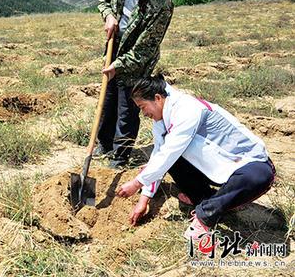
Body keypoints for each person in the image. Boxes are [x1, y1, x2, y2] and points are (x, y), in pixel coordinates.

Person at [116, 75, 276, 239]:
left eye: (143, 107)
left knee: (259, 176)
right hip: (212, 167)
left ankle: (205, 216)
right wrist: (144, 200)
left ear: (157, 98)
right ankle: (205, 199)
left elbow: (170, 152)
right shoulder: (161, 122)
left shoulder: (186, 109)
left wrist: (137, 183)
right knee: (167, 159)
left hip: (245, 163)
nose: (143, 113)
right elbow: (159, 156)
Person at [95, 0, 174, 168]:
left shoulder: (161, 3)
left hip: (137, 61)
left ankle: (120, 157)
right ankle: (104, 144)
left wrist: (118, 65)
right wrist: (109, 15)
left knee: (127, 109)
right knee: (107, 101)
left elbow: (144, 49)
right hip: (113, 49)